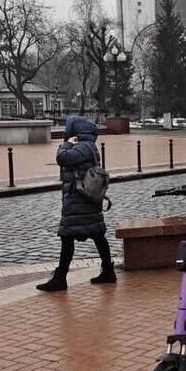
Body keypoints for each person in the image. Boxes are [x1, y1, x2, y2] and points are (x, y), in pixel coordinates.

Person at [36, 116, 115, 291]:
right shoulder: (89, 146)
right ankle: (108, 271)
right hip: (85, 199)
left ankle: (60, 278)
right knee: (96, 233)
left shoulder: (82, 147)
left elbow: (62, 158)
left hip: (78, 200)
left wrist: (67, 144)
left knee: (67, 236)